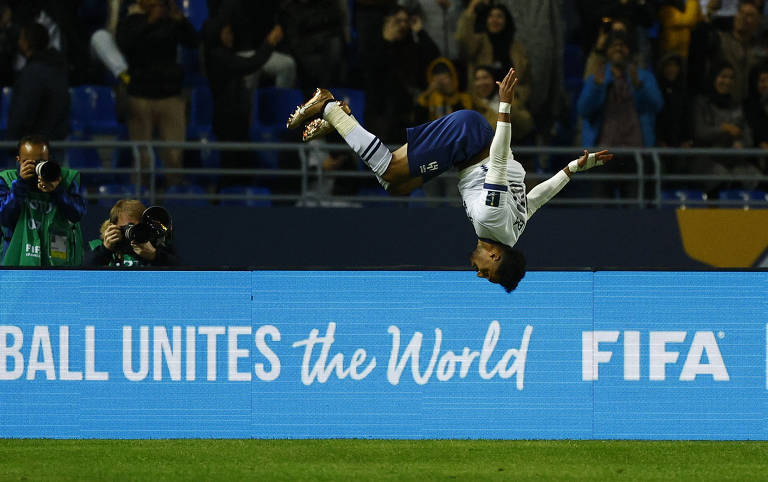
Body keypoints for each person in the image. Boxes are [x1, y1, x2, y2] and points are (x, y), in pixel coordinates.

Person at [287, 69, 613, 292]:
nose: (479, 271)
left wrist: (571, 170)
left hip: (465, 151)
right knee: (389, 174)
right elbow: (499, 161)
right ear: (496, 257)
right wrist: (504, 106)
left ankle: (343, 120)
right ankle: (329, 106)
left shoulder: (511, 236)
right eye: (487, 272)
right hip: (467, 138)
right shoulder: (491, 218)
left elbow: (537, 198)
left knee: (399, 187)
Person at [117, 0, 199, 187]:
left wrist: (181, 21)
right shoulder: (131, 19)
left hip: (170, 96)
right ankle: (140, 199)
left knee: (174, 157)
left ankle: (175, 199)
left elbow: (194, 42)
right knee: (143, 158)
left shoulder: (172, 20)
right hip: (140, 96)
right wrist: (149, 22)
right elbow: (124, 44)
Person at [0, 135, 86, 266]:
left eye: (40, 162)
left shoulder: (65, 178)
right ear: (18, 160)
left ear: (49, 158)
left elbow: (77, 214)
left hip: (57, 251)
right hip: (18, 255)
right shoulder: (7, 179)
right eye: (28, 162)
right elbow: (4, 217)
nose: (35, 168)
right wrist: (20, 184)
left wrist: (57, 191)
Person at [7, 22, 69, 142]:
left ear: (26, 42)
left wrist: (11, 141)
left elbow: (22, 113)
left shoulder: (33, 74)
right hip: (55, 145)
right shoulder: (58, 70)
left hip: (33, 150)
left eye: (21, 38)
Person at [86, 199, 178, 267]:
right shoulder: (96, 247)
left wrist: (155, 256)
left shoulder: (155, 247)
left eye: (139, 227)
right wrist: (105, 250)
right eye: (129, 227)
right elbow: (81, 273)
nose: (135, 231)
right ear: (113, 226)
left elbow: (181, 272)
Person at [472, 64, 533, 138]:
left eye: (485, 77)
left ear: (494, 79)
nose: (482, 83)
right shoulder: (471, 104)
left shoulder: (510, 99)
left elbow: (526, 125)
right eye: (477, 79)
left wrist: (508, 105)